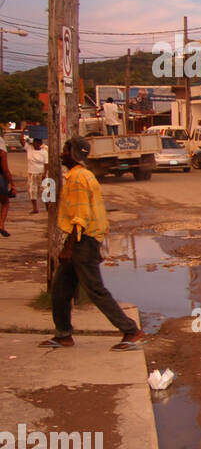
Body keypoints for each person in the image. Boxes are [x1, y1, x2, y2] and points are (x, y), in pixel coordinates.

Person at [40, 136, 143, 349]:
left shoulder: (78, 178)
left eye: (66, 150)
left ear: (75, 154)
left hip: (81, 241)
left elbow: (81, 215)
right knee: (60, 289)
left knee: (95, 289)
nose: (62, 154)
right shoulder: (81, 176)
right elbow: (97, 213)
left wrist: (69, 247)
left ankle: (130, 330)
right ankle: (63, 334)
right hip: (86, 240)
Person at [26, 136, 48, 214]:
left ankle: (47, 207)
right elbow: (22, 141)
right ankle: (35, 208)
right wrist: (24, 130)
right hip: (32, 173)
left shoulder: (44, 151)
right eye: (35, 143)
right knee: (32, 190)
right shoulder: (29, 149)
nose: (36, 144)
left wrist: (45, 173)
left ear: (40, 144)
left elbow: (46, 164)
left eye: (38, 143)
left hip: (41, 173)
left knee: (44, 190)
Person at [0, 146, 13, 237]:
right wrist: (13, 184)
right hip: (0, 180)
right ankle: (1, 225)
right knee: (5, 202)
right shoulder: (2, 153)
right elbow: (5, 170)